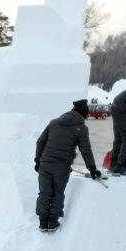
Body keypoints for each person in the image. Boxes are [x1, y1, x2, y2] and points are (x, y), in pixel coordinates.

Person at [34, 99, 100, 232]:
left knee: (44, 192)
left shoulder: (53, 123)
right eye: (87, 114)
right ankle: (52, 223)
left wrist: (38, 160)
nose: (87, 116)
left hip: (45, 164)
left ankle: (42, 222)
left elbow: (40, 142)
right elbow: (85, 150)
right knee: (57, 193)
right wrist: (92, 168)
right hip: (62, 166)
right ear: (83, 113)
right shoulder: (81, 128)